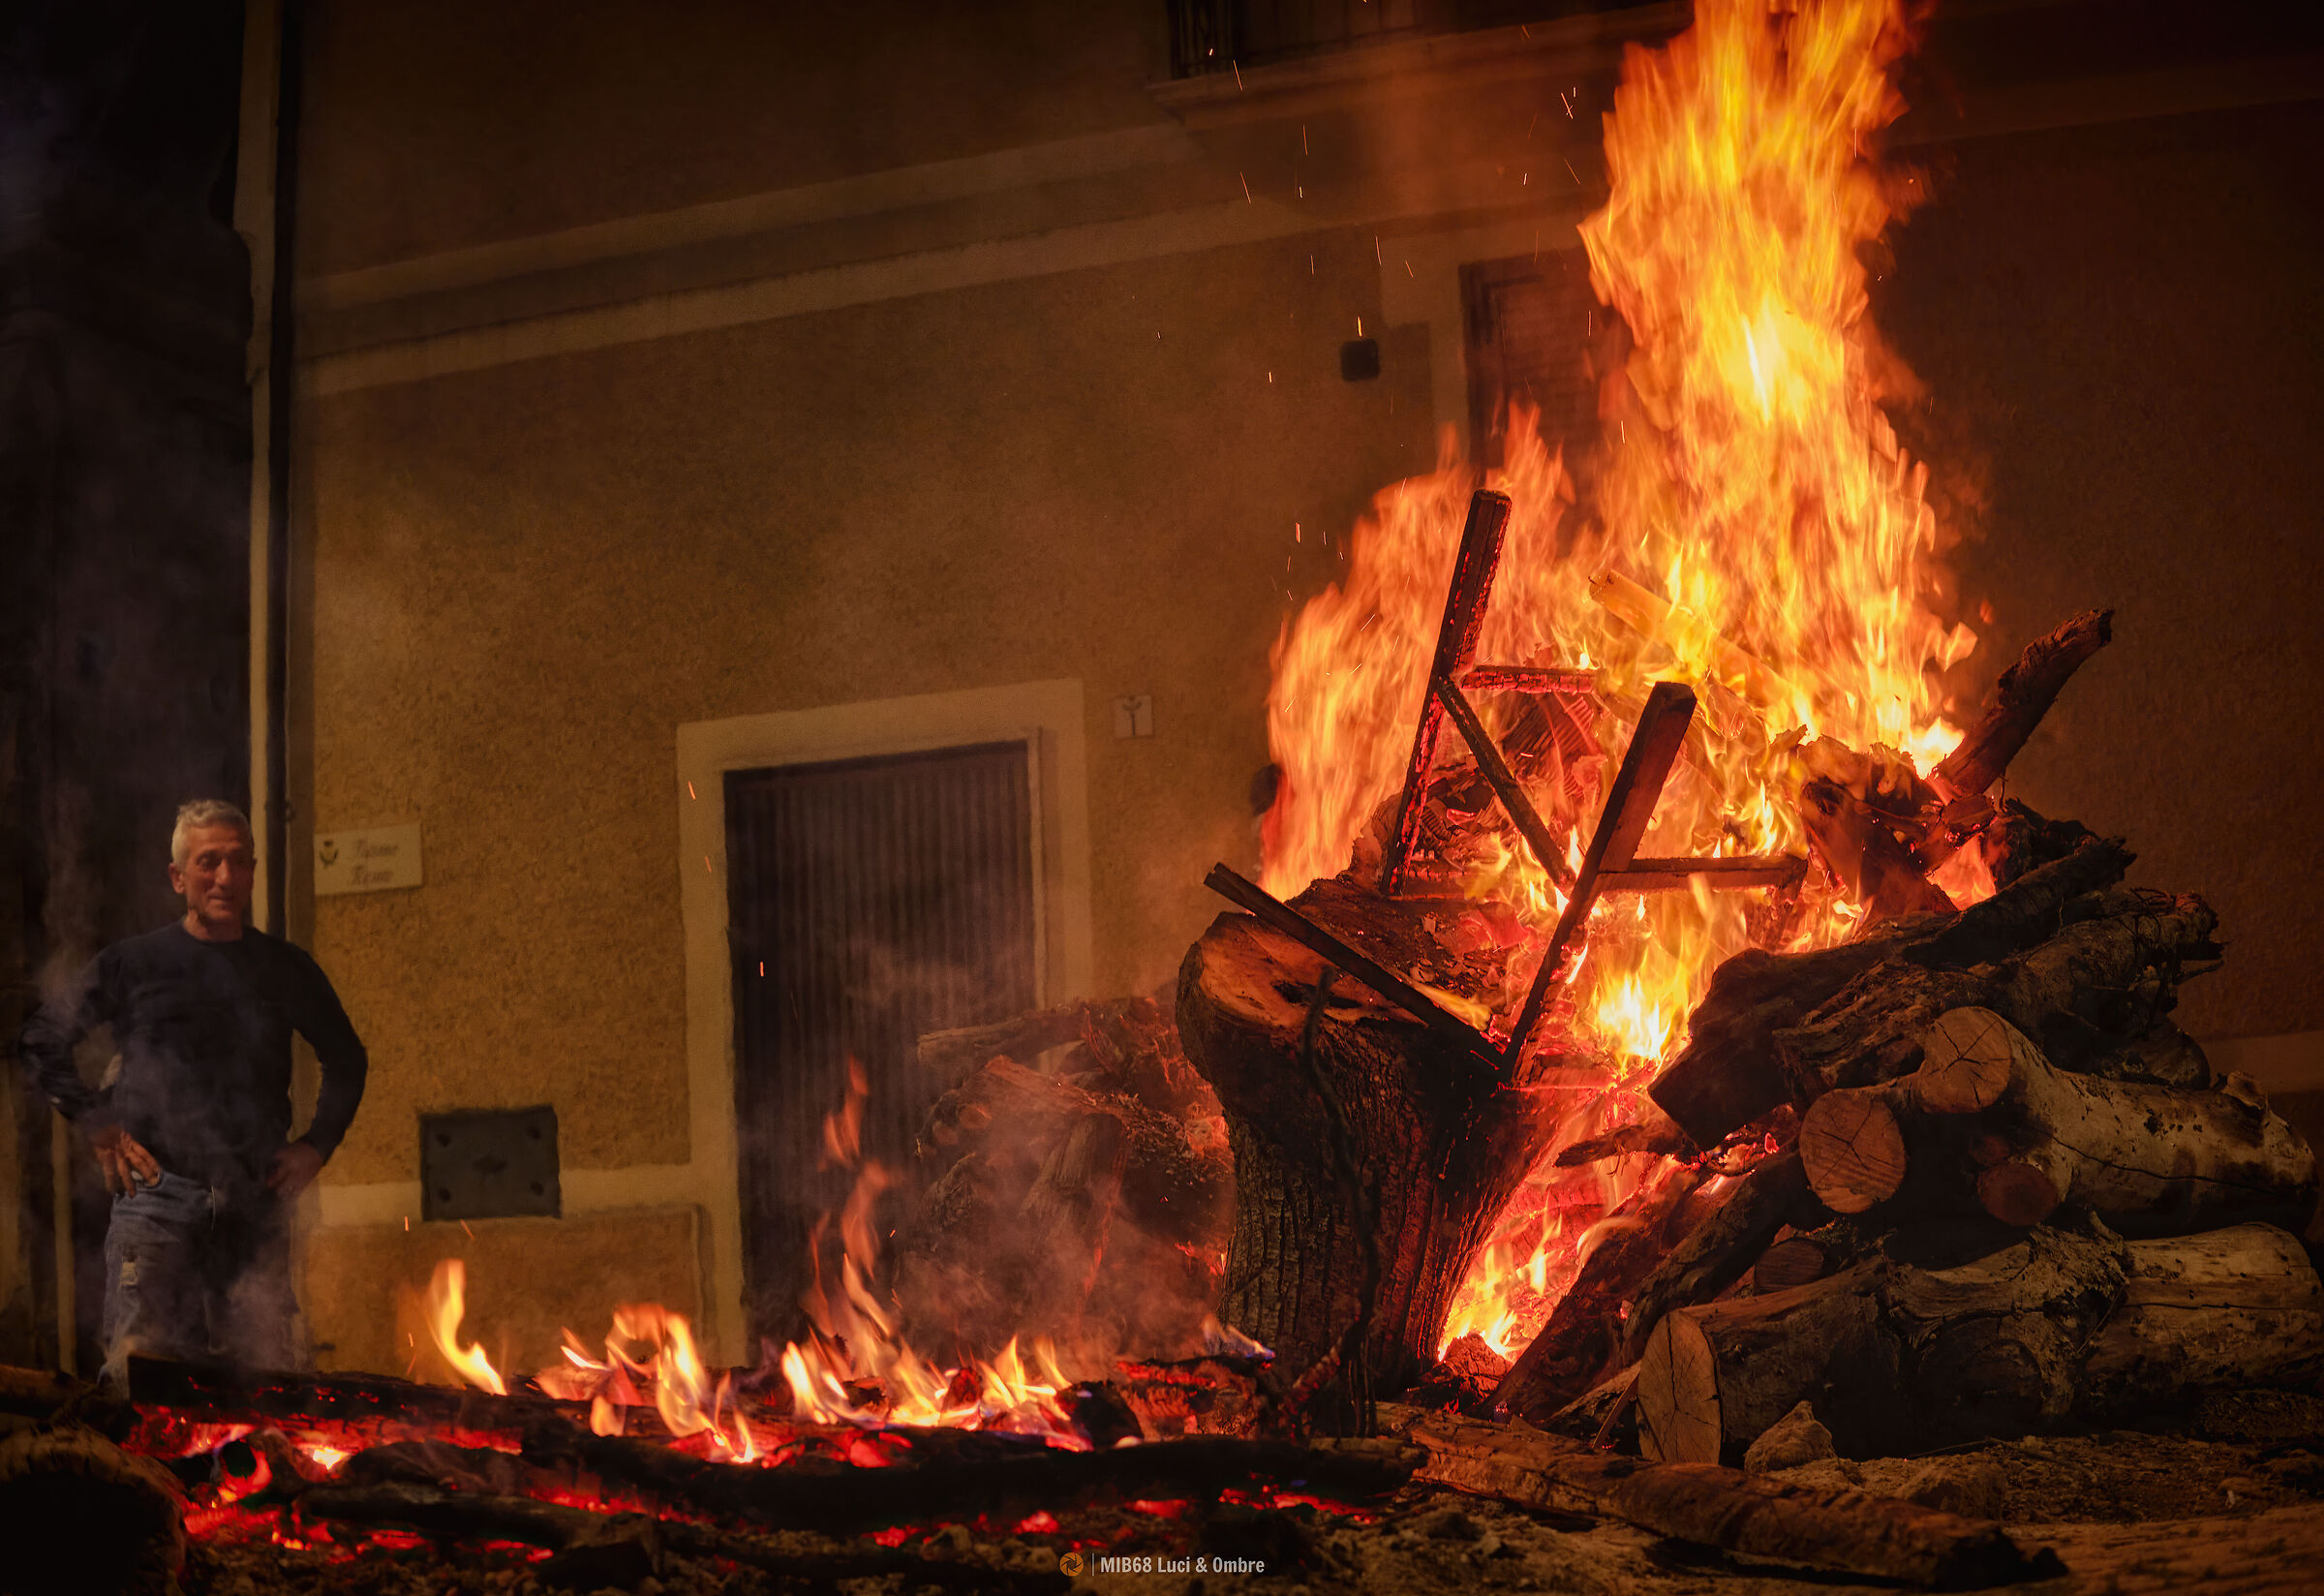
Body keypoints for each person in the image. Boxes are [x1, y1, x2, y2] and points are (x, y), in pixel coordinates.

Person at [17, 799, 368, 1383]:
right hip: (155, 1200)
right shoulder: (135, 963)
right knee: (141, 1375)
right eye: (208, 863)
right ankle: (134, 1476)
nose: (225, 878)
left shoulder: (285, 967)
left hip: (254, 1203)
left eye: (238, 862)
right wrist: (98, 1123)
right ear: (179, 877)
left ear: (253, 871)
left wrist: (316, 1146)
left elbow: (347, 1059)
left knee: (263, 1384)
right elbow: (41, 1039)